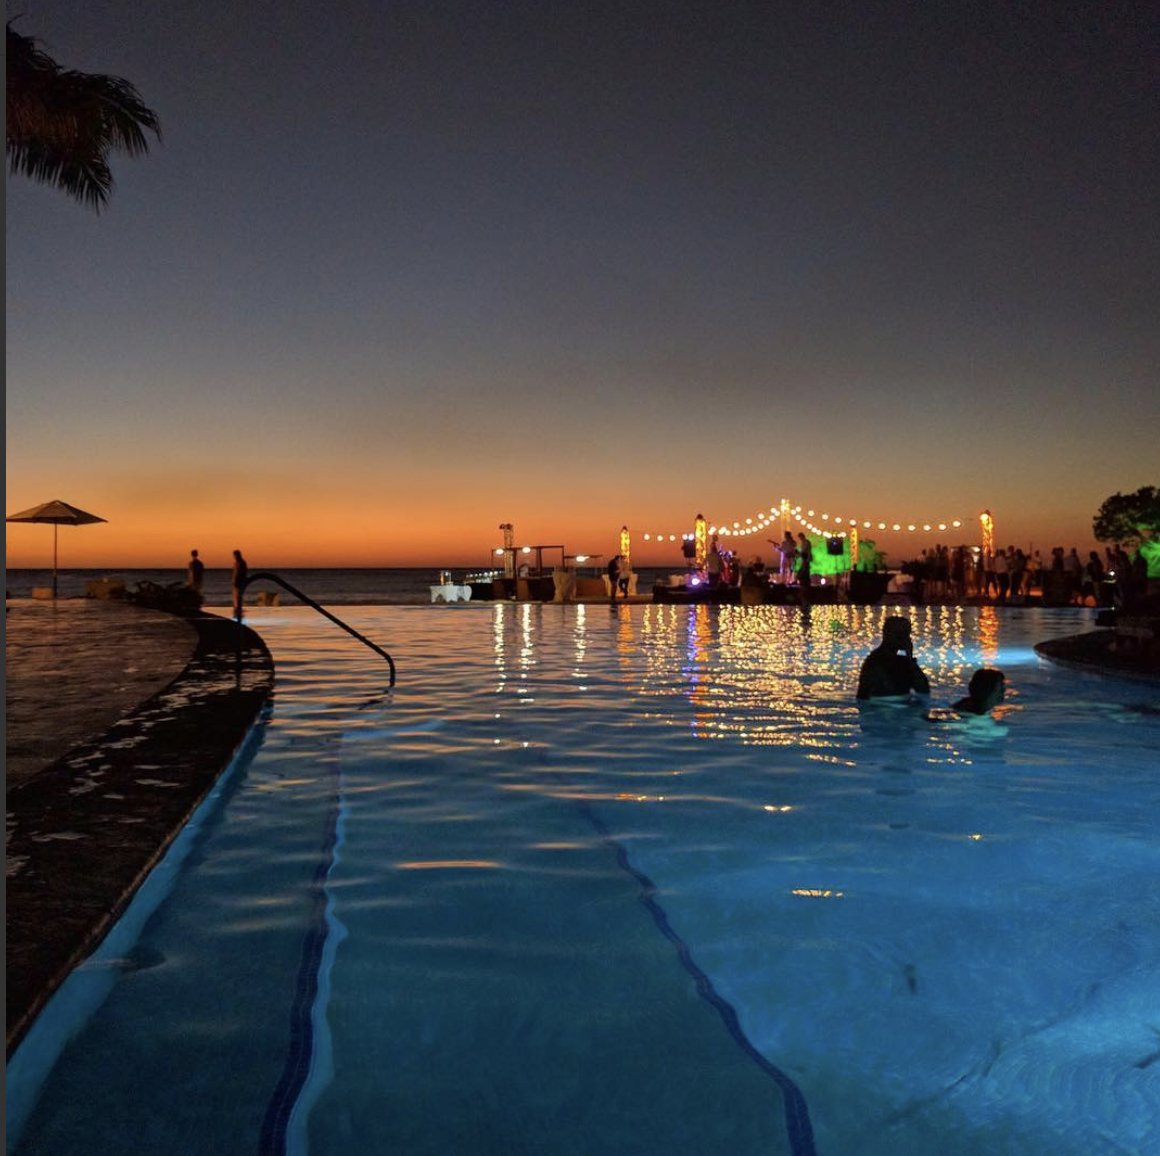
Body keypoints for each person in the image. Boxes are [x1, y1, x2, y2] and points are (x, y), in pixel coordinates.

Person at [856, 616, 930, 701]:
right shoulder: (875, 662)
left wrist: (910, 659)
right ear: (888, 635)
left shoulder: (903, 661)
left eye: (906, 635)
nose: (907, 639)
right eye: (900, 635)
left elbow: (924, 690)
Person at [231, 549, 248, 618]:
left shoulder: (242, 563)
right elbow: (235, 573)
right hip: (236, 582)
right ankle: (236, 611)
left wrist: (243, 581)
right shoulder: (236, 563)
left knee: (238, 597)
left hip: (240, 583)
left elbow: (243, 572)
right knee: (235, 598)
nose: (234, 557)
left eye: (235, 555)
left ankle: (238, 612)